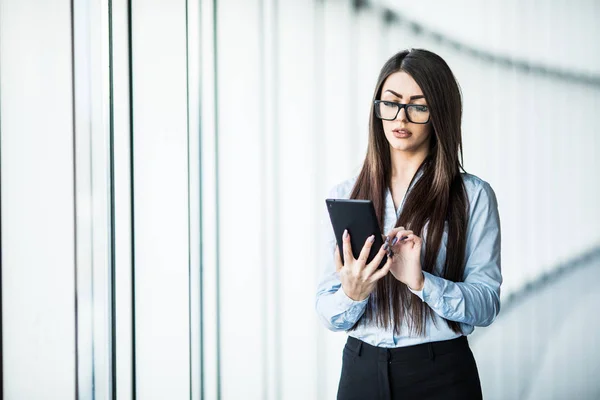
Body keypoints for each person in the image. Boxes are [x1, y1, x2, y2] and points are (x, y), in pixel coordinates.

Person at [315, 48, 502, 400]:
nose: (400, 117)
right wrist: (352, 294)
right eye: (391, 103)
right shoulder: (346, 194)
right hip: (361, 371)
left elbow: (487, 304)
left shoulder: (472, 196)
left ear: (439, 114)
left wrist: (422, 283)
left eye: (417, 106)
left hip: (441, 374)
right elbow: (326, 309)